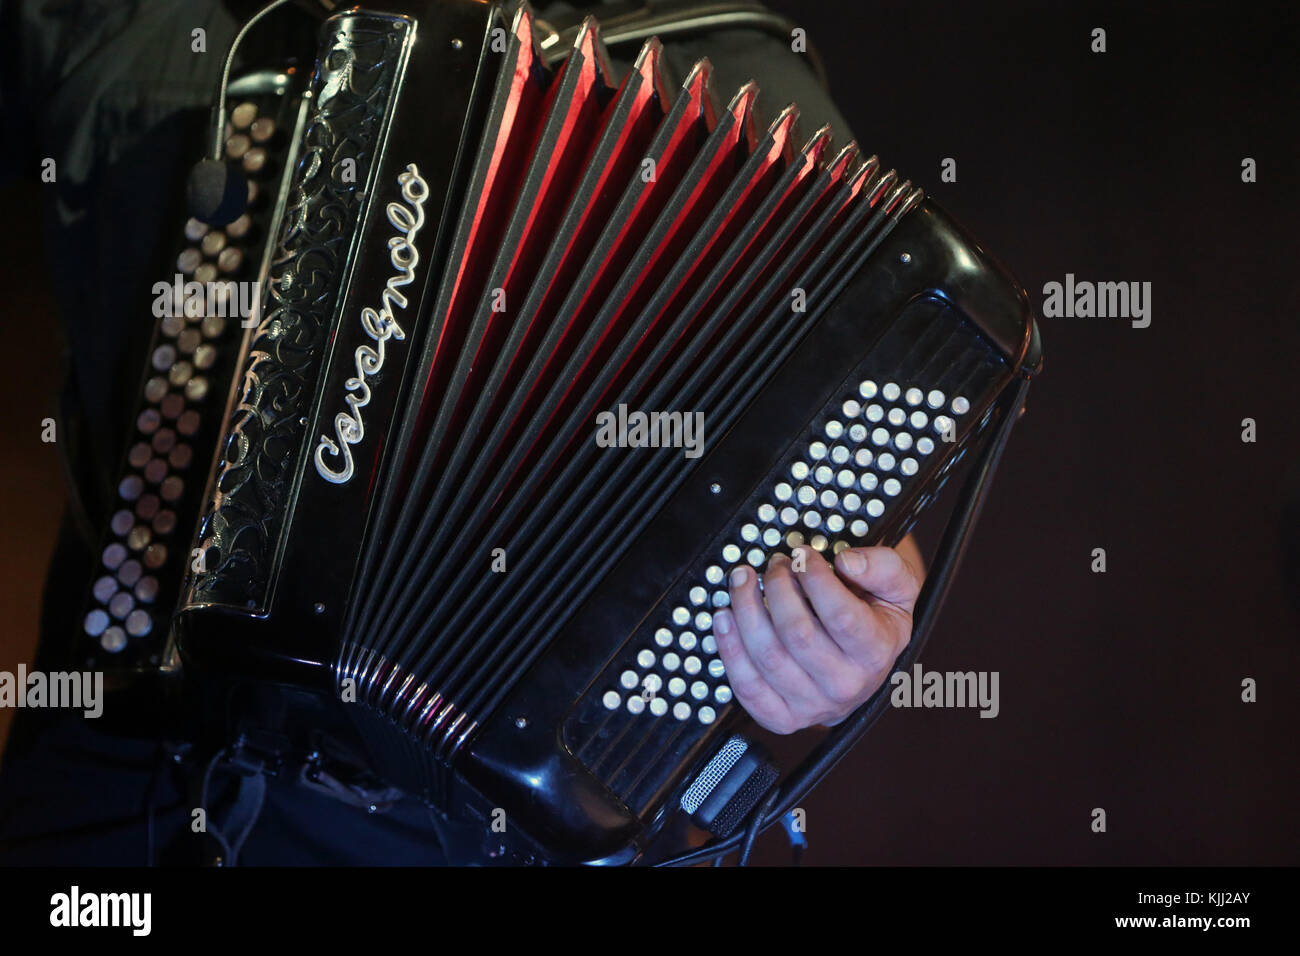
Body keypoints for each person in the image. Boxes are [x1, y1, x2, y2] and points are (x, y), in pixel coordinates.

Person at [0, 0, 924, 865]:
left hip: (473, 829)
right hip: (131, 754)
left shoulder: (730, 81)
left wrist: (833, 644)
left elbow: (839, 525)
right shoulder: (140, 27)